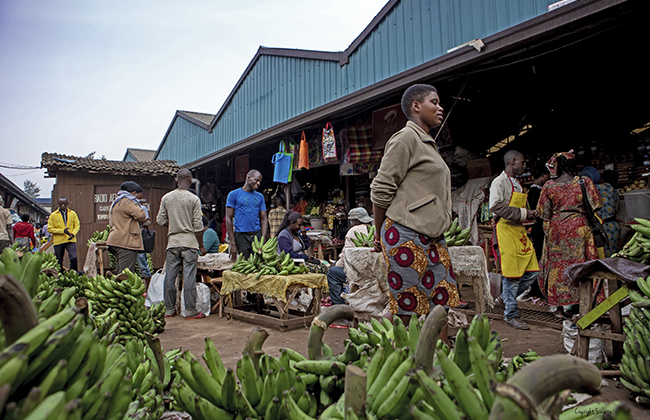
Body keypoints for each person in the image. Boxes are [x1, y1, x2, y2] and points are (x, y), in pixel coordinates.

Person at [370, 84, 460, 334]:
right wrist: (378, 232)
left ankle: (440, 361)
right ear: (416, 106)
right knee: (406, 308)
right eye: (434, 102)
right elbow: (381, 190)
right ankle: (386, 353)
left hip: (434, 237)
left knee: (442, 303)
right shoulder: (405, 138)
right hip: (405, 233)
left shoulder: (429, 144)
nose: (440, 107)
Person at [537, 153, 604, 318]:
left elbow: (543, 213)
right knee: (583, 266)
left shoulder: (548, 186)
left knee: (557, 269)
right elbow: (597, 204)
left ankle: (559, 308)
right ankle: (582, 304)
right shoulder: (584, 182)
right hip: (580, 230)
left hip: (557, 232)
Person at [489, 150, 540, 330]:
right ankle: (511, 314)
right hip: (505, 232)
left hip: (519, 232)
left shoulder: (517, 185)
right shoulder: (499, 182)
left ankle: (504, 298)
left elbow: (519, 211)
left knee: (533, 271)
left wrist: (530, 216)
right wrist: (526, 213)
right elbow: (495, 206)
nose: (524, 166)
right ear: (513, 161)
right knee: (511, 276)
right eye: (522, 162)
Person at [157, 169, 206, 319]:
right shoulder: (194, 199)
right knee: (189, 277)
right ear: (190, 181)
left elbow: (159, 220)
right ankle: (190, 311)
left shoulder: (167, 198)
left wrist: (173, 225)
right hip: (190, 242)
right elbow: (198, 226)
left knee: (170, 277)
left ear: (176, 180)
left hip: (173, 243)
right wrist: (201, 245)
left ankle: (169, 310)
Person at [327, 207, 373, 306]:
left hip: (359, 273)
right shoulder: (373, 229)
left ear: (353, 221)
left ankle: (339, 308)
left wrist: (335, 265)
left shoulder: (353, 231)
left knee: (332, 272)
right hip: (373, 271)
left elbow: (345, 257)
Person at [107, 182, 148, 274]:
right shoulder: (127, 202)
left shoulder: (117, 201)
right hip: (126, 242)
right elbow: (141, 215)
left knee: (120, 273)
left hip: (116, 240)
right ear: (134, 193)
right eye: (139, 197)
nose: (138, 201)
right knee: (126, 274)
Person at [226, 169, 268, 259]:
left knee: (257, 263)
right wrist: (232, 242)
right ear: (248, 178)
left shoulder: (260, 197)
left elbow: (264, 218)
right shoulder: (233, 194)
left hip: (257, 235)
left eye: (259, 181)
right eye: (256, 180)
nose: (258, 183)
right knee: (243, 263)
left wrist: (263, 239)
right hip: (240, 235)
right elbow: (228, 218)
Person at [581, 167, 621, 258]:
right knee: (612, 255)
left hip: (601, 228)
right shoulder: (614, 192)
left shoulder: (594, 189)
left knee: (600, 257)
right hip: (614, 226)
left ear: (601, 180)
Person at [48, 197, 80, 271]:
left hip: (70, 240)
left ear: (67, 204)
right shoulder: (53, 215)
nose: (63, 205)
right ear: (58, 204)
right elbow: (50, 229)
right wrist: (62, 231)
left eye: (64, 204)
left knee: (74, 257)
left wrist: (73, 234)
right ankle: (60, 275)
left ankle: (73, 273)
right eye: (61, 204)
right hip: (59, 241)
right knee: (59, 260)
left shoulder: (73, 213)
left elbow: (77, 225)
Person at [527, 166, 550, 259]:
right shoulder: (534, 191)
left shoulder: (536, 190)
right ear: (543, 175)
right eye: (547, 176)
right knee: (541, 252)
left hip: (539, 226)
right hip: (539, 227)